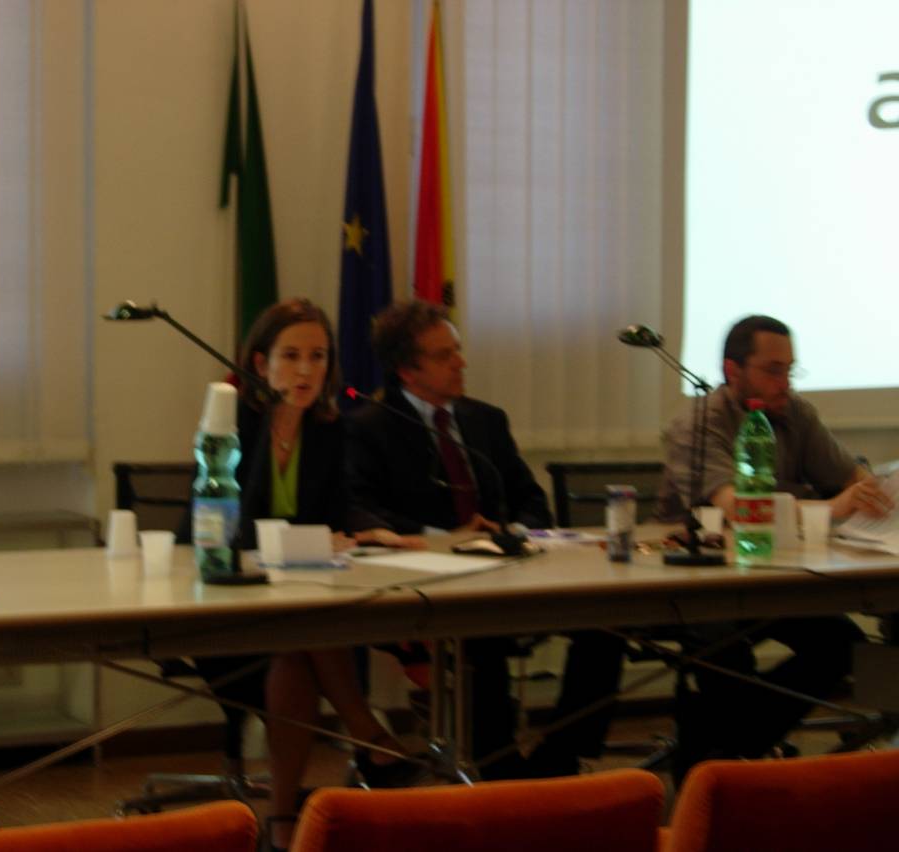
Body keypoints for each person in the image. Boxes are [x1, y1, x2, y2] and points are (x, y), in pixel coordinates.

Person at [345, 299, 627, 780]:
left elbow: (531, 500)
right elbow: (362, 511)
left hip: (508, 570)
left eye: (457, 350)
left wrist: (511, 531)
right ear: (407, 371)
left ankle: (560, 758)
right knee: (482, 641)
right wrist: (444, 539)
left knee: (608, 622)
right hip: (427, 588)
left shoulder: (485, 420)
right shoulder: (369, 427)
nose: (461, 363)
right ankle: (502, 774)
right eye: (444, 355)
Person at [201, 298, 423, 852]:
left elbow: (342, 506)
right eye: (291, 356)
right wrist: (277, 419)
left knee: (296, 648)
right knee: (300, 638)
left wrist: (377, 530)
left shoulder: (328, 429)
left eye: (318, 356)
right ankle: (368, 735)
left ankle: (282, 824)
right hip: (225, 611)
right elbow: (231, 522)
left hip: (295, 611)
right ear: (261, 362)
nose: (305, 370)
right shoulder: (230, 422)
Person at [660, 314, 891, 778]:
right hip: (695, 586)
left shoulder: (795, 412)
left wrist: (879, 497)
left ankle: (723, 753)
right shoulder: (699, 424)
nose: (785, 382)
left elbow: (852, 477)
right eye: (772, 370)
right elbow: (737, 509)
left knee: (841, 643)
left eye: (789, 369)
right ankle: (726, 759)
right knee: (722, 651)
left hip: (776, 575)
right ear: (732, 371)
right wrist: (833, 508)